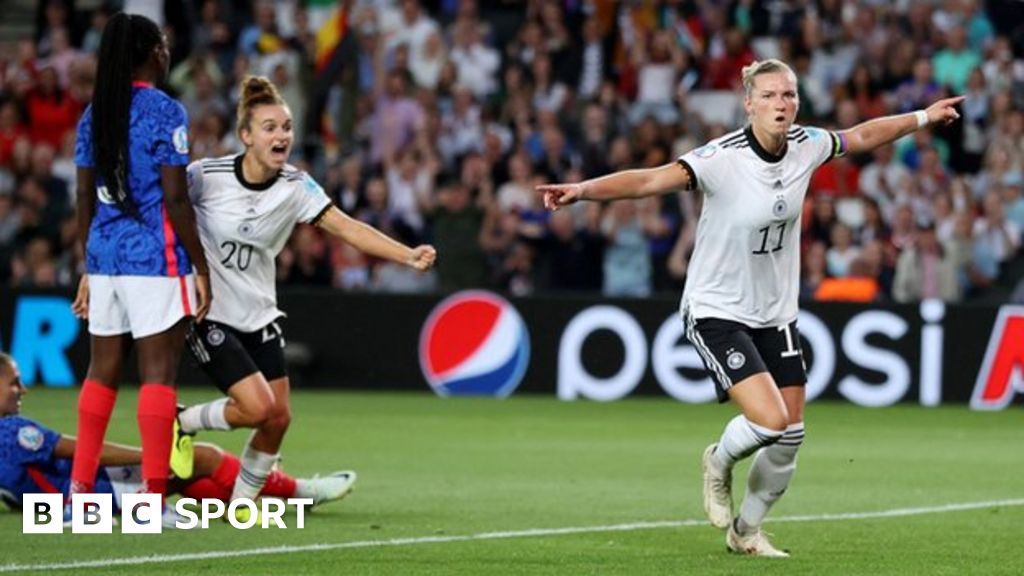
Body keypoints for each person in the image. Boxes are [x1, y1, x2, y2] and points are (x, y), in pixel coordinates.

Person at [537, 59, 963, 557]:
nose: (781, 104)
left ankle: (745, 531)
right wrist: (583, 191)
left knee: (791, 434)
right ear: (749, 104)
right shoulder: (721, 159)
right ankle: (718, 461)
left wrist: (923, 117)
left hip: (775, 311)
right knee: (769, 421)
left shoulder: (807, 144)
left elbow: (863, 135)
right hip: (716, 307)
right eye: (769, 96)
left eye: (788, 95)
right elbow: (651, 181)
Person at [176, 76, 436, 517]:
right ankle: (182, 422)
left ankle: (242, 506)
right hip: (209, 312)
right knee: (258, 408)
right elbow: (162, 206)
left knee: (278, 418)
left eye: (287, 127)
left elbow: (347, 227)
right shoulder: (205, 177)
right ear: (246, 136)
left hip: (259, 313)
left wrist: (406, 255)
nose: (282, 136)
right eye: (269, 128)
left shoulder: (296, 186)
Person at [68, 13, 211, 510]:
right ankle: (152, 500)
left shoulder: (94, 112)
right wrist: (201, 267)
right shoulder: (165, 111)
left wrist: (88, 266)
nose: (168, 52)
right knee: (158, 375)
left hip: (105, 258)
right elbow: (175, 197)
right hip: (154, 257)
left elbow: (83, 196)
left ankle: (79, 494)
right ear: (154, 53)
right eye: (164, 45)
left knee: (100, 372)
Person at [0, 353, 354, 526]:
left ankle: (262, 500)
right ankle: (299, 490)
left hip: (71, 504)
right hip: (96, 497)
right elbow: (84, 450)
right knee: (201, 457)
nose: (23, 389)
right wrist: (152, 457)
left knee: (189, 473)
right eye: (14, 382)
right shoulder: (12, 430)